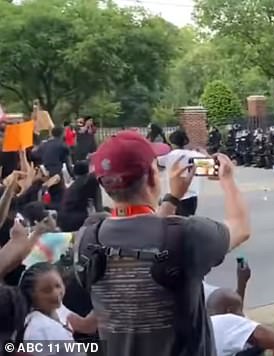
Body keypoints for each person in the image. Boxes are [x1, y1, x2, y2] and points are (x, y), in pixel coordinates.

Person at [75, 130, 251, 356]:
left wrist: (172, 199)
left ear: (102, 183)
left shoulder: (87, 240)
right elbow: (241, 227)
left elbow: (140, 236)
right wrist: (227, 180)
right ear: (151, 174)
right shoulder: (187, 234)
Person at [158, 129, 203, 217]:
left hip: (172, 195)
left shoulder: (169, 156)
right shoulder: (196, 155)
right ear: (187, 141)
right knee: (187, 221)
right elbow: (212, 165)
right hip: (191, 195)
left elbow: (157, 163)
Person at [57, 161, 103, 232]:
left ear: (75, 173)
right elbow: (99, 207)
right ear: (88, 171)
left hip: (62, 219)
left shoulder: (72, 186)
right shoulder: (91, 180)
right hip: (77, 220)